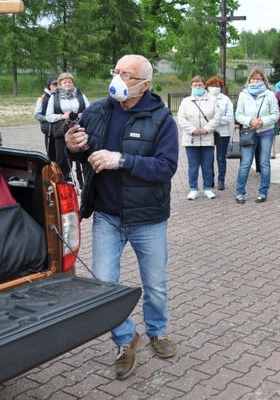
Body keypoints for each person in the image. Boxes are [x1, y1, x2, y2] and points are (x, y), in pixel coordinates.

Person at [64, 54, 179, 380]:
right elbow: (77, 151)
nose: (118, 78)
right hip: (107, 216)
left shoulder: (161, 119)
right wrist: (71, 145)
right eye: (116, 71)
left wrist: (122, 160)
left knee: (154, 285)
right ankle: (126, 339)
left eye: (127, 75)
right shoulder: (97, 111)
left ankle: (157, 330)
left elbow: (166, 167)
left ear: (145, 85)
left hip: (149, 219)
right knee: (103, 284)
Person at [235, 69, 280, 204]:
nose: (255, 81)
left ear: (263, 80)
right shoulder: (244, 94)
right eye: (253, 79)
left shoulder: (269, 95)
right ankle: (240, 192)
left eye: (258, 79)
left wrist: (262, 121)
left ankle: (263, 192)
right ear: (249, 80)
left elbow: (275, 114)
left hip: (266, 132)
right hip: (249, 132)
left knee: (264, 163)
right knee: (245, 163)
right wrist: (250, 121)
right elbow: (238, 114)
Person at [177, 76, 221, 200]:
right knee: (193, 165)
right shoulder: (185, 101)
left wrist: (206, 128)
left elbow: (217, 117)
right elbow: (181, 118)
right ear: (191, 86)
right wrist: (192, 130)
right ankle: (193, 189)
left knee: (207, 165)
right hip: (191, 138)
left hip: (207, 138)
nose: (198, 87)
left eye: (200, 85)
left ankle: (207, 188)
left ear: (204, 86)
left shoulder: (213, 100)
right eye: (195, 85)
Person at [45, 72, 90, 182]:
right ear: (59, 84)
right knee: (62, 161)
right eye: (64, 82)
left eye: (69, 82)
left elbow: (89, 111)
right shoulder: (54, 97)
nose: (67, 84)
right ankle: (61, 184)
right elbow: (48, 116)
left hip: (80, 130)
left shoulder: (80, 95)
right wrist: (62, 116)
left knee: (83, 159)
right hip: (62, 132)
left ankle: (84, 183)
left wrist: (81, 115)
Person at [205, 76, 234, 191]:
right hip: (209, 132)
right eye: (212, 86)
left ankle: (221, 180)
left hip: (223, 133)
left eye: (217, 86)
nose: (215, 88)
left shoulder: (226, 100)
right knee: (209, 157)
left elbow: (229, 117)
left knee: (221, 157)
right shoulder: (204, 99)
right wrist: (213, 123)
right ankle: (210, 179)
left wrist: (215, 121)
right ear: (207, 87)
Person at [33, 76, 58, 161]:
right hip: (49, 130)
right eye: (54, 84)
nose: (57, 86)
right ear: (49, 86)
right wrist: (48, 118)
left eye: (58, 84)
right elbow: (37, 115)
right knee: (51, 154)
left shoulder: (63, 97)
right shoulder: (42, 98)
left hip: (61, 129)